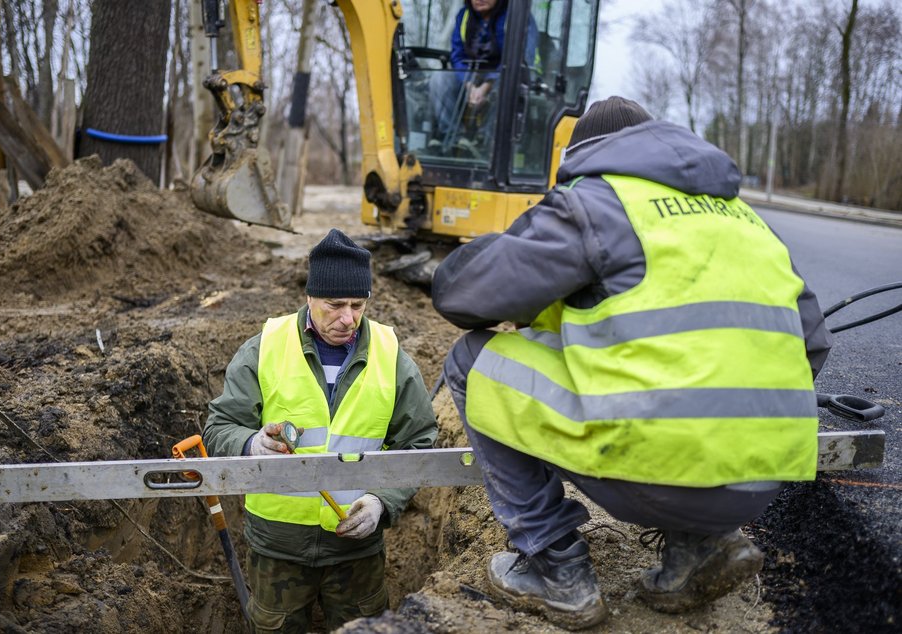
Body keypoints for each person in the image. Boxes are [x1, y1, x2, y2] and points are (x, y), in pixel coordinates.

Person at [431, 97, 831, 629]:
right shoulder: (747, 219)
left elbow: (463, 297)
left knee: (471, 359)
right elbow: (813, 343)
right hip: (761, 481)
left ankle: (557, 569)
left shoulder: (594, 202)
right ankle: (700, 545)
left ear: (584, 155)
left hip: (652, 474)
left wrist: (499, 243)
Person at [203, 228, 437, 633]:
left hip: (355, 552)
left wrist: (383, 500)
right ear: (310, 297)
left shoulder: (391, 357)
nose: (348, 318)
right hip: (278, 547)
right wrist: (251, 443)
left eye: (358, 305)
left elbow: (418, 441)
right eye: (335, 305)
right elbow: (220, 426)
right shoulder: (265, 348)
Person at [428, 0, 539, 154]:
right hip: (472, 77)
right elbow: (457, 56)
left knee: (509, 83)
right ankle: (453, 138)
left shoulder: (518, 17)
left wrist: (486, 87)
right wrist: (469, 85)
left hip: (506, 76)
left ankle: (485, 143)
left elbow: (520, 58)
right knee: (439, 80)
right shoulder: (464, 16)